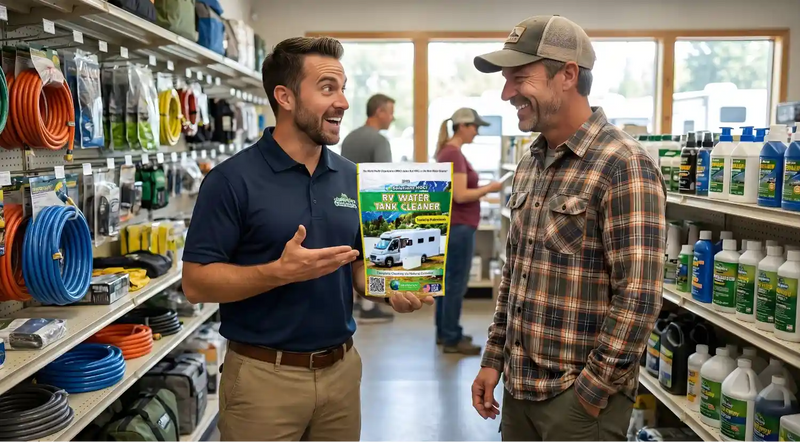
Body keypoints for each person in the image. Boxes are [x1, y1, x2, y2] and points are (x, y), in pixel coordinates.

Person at [181, 36, 432, 442]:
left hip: (342, 372)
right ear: (285, 97)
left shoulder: (353, 177)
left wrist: (392, 289)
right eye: (327, 88)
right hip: (264, 380)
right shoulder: (230, 180)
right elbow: (195, 284)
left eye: (343, 88)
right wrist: (279, 273)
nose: (344, 103)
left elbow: (357, 266)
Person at [469, 15, 666, 441]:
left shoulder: (623, 164)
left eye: (519, 78)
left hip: (576, 402)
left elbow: (639, 295)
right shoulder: (530, 164)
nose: (506, 94)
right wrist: (493, 359)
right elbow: (514, 276)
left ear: (568, 75)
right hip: (518, 391)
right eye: (505, 80)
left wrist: (591, 393)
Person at [435, 108, 502, 355]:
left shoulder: (448, 152)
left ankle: (445, 332)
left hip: (453, 226)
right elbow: (461, 195)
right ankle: (451, 337)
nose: (476, 131)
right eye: (475, 126)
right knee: (455, 284)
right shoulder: (453, 153)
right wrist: (490, 188)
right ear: (462, 125)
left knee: (447, 283)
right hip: (459, 227)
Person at [341, 93, 396, 324]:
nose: (393, 118)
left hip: (346, 204)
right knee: (373, 256)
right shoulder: (379, 141)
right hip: (371, 208)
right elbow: (385, 179)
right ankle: (369, 307)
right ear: (379, 112)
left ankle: (357, 304)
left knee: (352, 256)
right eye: (390, 112)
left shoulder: (349, 138)